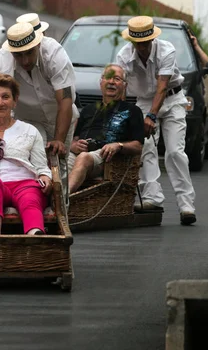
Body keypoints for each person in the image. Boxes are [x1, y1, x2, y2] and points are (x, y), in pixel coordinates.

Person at [116, 16, 197, 225]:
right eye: (138, 43)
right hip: (143, 100)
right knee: (145, 146)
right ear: (132, 41)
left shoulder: (166, 50)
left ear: (152, 39)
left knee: (175, 151)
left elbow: (162, 86)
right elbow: (121, 88)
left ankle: (186, 205)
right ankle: (152, 197)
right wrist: (124, 116)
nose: (142, 47)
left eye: (146, 42)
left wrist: (152, 116)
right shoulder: (123, 56)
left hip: (172, 99)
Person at [0, 74, 53, 235]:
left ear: (14, 101)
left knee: (30, 197)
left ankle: (35, 237)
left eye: (5, 97)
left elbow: (42, 167)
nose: (0, 102)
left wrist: (45, 177)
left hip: (25, 184)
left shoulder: (30, 131)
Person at [0, 19, 78, 157]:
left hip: (59, 115)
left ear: (38, 44)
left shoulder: (54, 54)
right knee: (35, 159)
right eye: (18, 55)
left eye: (29, 53)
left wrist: (59, 140)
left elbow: (65, 99)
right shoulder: (1, 62)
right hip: (27, 119)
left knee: (59, 163)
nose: (25, 60)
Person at [68, 64, 144, 193]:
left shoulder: (133, 111)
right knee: (57, 161)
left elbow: (138, 146)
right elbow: (73, 139)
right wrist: (74, 146)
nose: (111, 82)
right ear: (101, 82)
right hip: (80, 154)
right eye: (107, 78)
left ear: (124, 86)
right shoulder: (88, 109)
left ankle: (61, 203)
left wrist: (119, 145)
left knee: (84, 158)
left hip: (107, 158)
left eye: (117, 79)